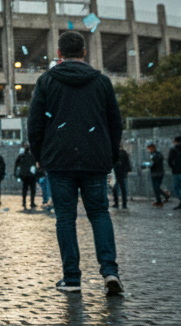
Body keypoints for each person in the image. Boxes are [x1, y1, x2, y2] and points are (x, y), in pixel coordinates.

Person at [27, 29, 123, 296]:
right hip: (95, 159)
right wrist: (110, 155)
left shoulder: (46, 81)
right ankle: (110, 272)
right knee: (100, 214)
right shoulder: (102, 82)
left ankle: (72, 278)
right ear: (84, 52)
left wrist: (41, 155)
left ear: (59, 53)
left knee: (66, 219)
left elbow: (34, 124)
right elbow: (115, 123)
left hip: (60, 160)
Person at [14, 144, 38, 209]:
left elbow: (16, 164)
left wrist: (16, 173)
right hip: (31, 175)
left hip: (24, 175)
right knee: (32, 189)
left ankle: (24, 202)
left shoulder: (21, 156)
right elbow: (35, 165)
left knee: (25, 189)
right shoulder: (32, 156)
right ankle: (32, 202)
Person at [112, 145, 131, 210]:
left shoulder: (121, 153)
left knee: (119, 188)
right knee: (118, 188)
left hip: (119, 173)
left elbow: (127, 163)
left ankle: (121, 203)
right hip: (118, 173)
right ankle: (121, 203)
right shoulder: (121, 153)